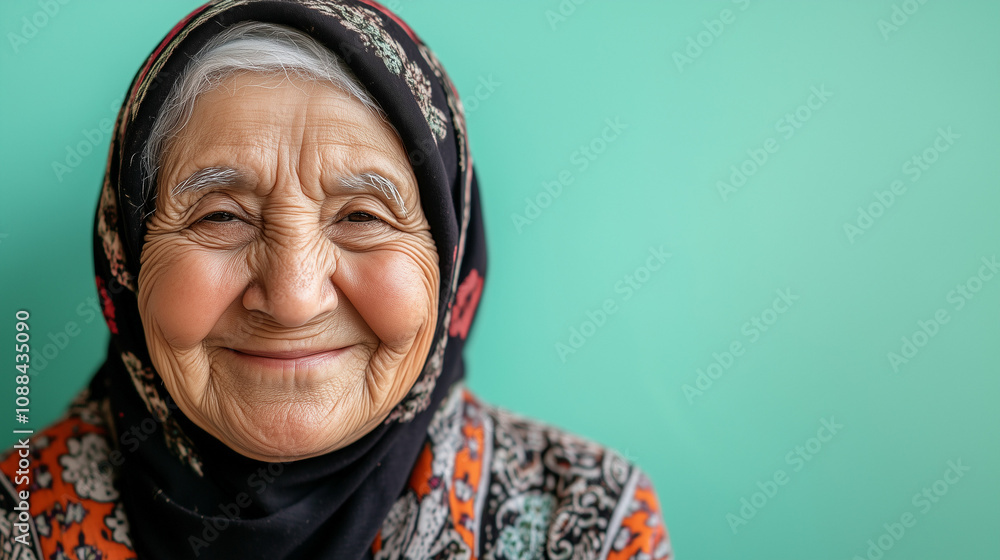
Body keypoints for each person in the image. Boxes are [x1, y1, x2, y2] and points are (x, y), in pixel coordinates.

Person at [0, 1, 672, 558]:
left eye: (361, 215)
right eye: (222, 215)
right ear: (126, 258)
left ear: (451, 253)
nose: (293, 299)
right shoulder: (17, 525)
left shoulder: (583, 522)